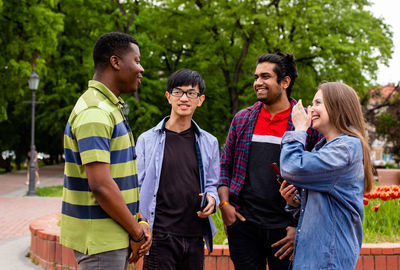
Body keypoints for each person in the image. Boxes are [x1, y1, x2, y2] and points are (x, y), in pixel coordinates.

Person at [218, 52, 321, 270]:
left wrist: (298, 227)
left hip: (285, 230)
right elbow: (225, 167)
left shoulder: (305, 123)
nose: (258, 83)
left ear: (285, 82)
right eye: (256, 77)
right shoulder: (242, 119)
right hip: (244, 226)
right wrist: (225, 205)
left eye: (265, 77)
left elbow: (317, 179)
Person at [60, 32, 152, 270]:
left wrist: (139, 219)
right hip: (102, 242)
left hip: (113, 237)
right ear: (115, 62)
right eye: (137, 60)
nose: (141, 69)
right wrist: (137, 233)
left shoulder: (109, 108)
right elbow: (101, 185)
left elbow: (118, 179)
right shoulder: (95, 112)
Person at [279, 82, 374, 269]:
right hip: (316, 258)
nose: (310, 109)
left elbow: (291, 167)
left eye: (318, 103)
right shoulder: (326, 148)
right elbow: (329, 207)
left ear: (338, 106)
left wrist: (299, 130)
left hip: (327, 261)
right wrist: (296, 202)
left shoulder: (345, 148)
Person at [137, 68, 220, 270]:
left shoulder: (209, 142)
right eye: (178, 92)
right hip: (159, 236)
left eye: (191, 93)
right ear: (168, 97)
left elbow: (212, 183)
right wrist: (141, 222)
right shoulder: (147, 140)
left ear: (200, 100)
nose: (184, 98)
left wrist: (212, 199)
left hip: (194, 236)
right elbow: (135, 186)